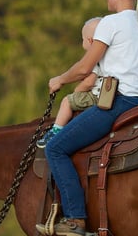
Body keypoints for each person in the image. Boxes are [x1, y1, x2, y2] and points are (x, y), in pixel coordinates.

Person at [36, 0, 138, 236]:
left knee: (56, 147)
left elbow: (85, 68)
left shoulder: (111, 23)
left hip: (118, 102)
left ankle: (76, 219)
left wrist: (59, 80)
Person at [37, 17, 103, 149]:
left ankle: (56, 131)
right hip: (105, 95)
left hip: (97, 96)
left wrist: (77, 91)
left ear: (90, 41)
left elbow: (89, 81)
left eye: (82, 39)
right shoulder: (108, 56)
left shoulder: (94, 58)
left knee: (67, 101)